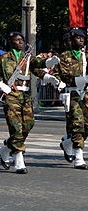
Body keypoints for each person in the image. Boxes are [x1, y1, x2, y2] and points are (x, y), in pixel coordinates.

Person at [55, 28, 88, 170]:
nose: (81, 40)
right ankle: (79, 156)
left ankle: (67, 143)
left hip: (86, 94)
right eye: (78, 38)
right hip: (73, 93)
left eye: (83, 38)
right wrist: (82, 79)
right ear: (72, 40)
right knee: (77, 125)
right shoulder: (64, 56)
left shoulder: (85, 55)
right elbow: (65, 77)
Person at [0, 32, 48, 174]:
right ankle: (19, 160)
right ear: (11, 42)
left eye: (21, 40)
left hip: (25, 95)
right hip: (10, 95)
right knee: (16, 127)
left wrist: (49, 66)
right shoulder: (3, 58)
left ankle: (5, 150)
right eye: (17, 40)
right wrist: (2, 85)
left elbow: (38, 66)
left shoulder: (27, 58)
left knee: (28, 124)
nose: (20, 42)